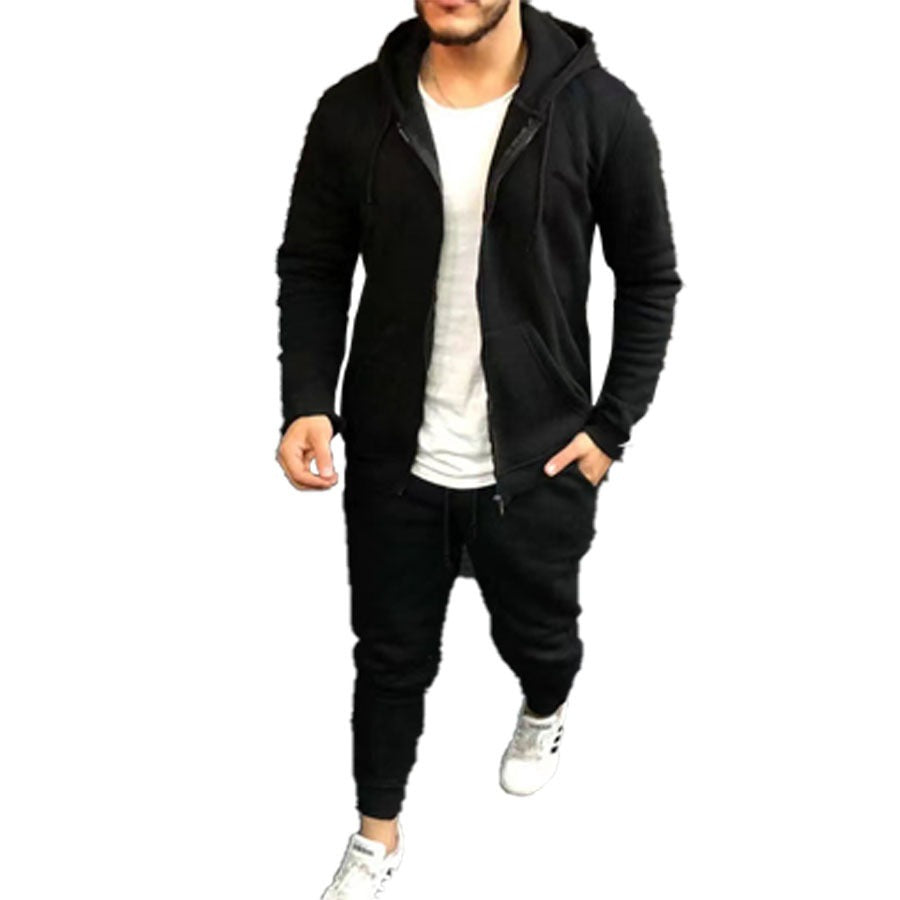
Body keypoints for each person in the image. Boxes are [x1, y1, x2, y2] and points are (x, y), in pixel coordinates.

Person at [274, 1, 682, 896]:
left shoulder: (599, 111)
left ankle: (546, 704)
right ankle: (376, 834)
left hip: (539, 462)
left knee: (540, 637)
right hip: (393, 458)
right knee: (389, 658)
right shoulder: (354, 111)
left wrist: (609, 428)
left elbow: (650, 277)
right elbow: (313, 264)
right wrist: (307, 399)